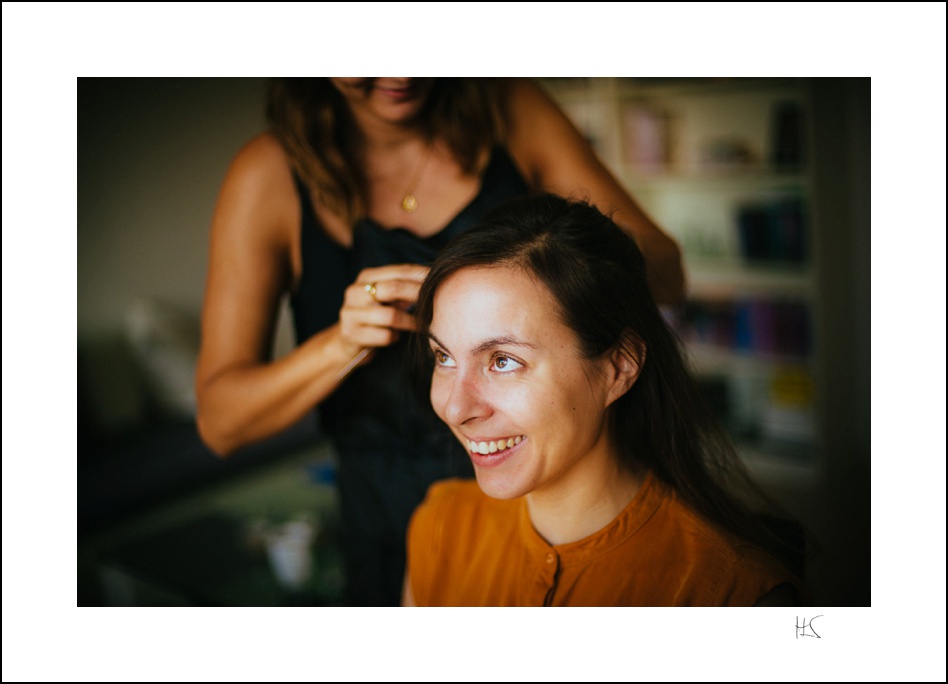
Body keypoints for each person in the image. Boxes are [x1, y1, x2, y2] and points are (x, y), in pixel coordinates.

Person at [195, 78, 685, 606]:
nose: (401, 73)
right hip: (387, 514)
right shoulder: (267, 173)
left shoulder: (510, 110)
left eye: (501, 358)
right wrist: (341, 344)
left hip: (550, 498)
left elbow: (668, 271)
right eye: (442, 355)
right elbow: (221, 424)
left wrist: (542, 268)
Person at [404, 194, 807, 606]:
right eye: (444, 356)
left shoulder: (734, 594)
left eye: (503, 361)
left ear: (619, 368)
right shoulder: (439, 526)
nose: (455, 408)